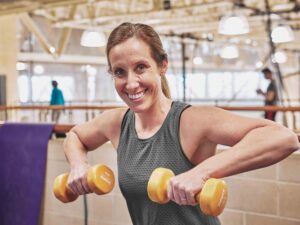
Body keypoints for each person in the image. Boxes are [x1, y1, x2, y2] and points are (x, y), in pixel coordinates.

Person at [64, 23, 299, 225]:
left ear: (162, 65)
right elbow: (75, 136)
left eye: (141, 67)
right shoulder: (117, 122)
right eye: (119, 72)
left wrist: (202, 173)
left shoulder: (191, 120)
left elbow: (283, 138)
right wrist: (78, 165)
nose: (131, 83)